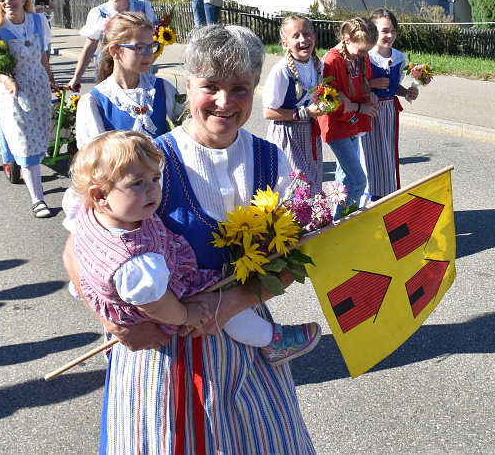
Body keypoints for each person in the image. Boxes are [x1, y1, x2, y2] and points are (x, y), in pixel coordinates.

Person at [63, 24, 316, 454]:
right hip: (160, 356)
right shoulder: (144, 162)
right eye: (209, 86)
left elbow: (294, 256)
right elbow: (78, 249)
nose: (224, 101)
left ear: (255, 87)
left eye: (239, 88)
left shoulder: (272, 159)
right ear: (188, 85)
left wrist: (232, 303)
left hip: (245, 353)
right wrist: (114, 324)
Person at [70, 130, 321, 368]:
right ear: (100, 195)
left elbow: (80, 253)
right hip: (164, 308)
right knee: (222, 310)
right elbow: (156, 304)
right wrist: (187, 314)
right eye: (137, 183)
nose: (152, 190)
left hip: (134, 303)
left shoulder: (95, 215)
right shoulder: (135, 262)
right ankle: (272, 340)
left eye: (156, 178)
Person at [0, 0, 61, 218]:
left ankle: (35, 186)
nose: (7, 1)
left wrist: (51, 79)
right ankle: (38, 200)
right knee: (26, 143)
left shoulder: (38, 21)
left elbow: (43, 55)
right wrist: (7, 80)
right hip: (13, 93)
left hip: (38, 87)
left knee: (39, 138)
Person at [74, 12, 177, 148]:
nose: (148, 54)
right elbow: (93, 162)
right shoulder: (95, 102)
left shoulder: (163, 90)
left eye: (151, 46)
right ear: (115, 51)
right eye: (140, 47)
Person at [317, 17, 379, 219]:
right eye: (362, 50)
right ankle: (345, 223)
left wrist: (371, 95)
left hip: (354, 123)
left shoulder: (360, 56)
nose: (365, 54)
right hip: (338, 127)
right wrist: (359, 107)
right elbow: (330, 103)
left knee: (344, 178)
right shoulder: (331, 60)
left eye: (367, 51)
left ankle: (336, 220)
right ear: (346, 39)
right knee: (358, 181)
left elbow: (366, 80)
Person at [263, 15, 333, 190]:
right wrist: (304, 112)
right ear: (285, 44)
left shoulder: (318, 65)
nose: (303, 40)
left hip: (309, 133)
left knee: (312, 185)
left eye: (307, 34)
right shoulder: (281, 71)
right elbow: (268, 112)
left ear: (314, 37)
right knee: (295, 188)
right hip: (286, 134)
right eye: (296, 36)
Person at [360, 9, 419, 203]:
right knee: (372, 158)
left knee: (387, 156)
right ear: (372, 31)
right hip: (370, 111)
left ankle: (386, 197)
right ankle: (370, 199)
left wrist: (407, 93)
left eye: (393, 30)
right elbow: (353, 86)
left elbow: (394, 87)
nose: (390, 35)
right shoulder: (365, 57)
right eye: (384, 31)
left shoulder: (399, 57)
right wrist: (373, 84)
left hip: (389, 113)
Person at [67, 0, 157, 92]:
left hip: (138, 65)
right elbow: (89, 47)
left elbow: (154, 38)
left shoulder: (143, 8)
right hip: (109, 67)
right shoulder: (99, 13)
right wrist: (77, 77)